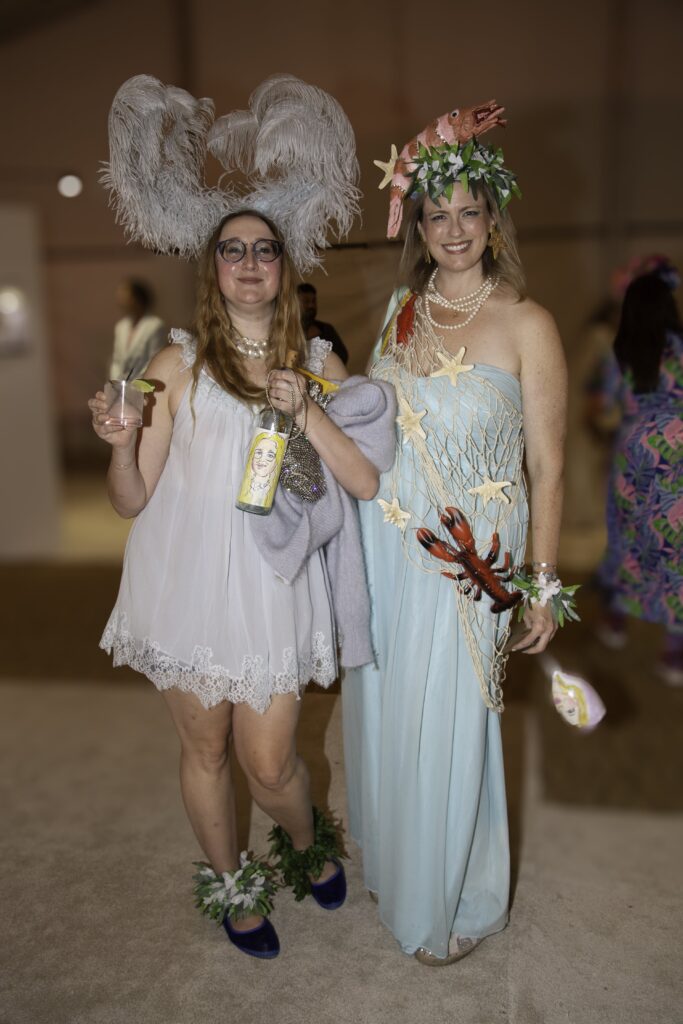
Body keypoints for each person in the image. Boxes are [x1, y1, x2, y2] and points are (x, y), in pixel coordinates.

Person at [88, 74, 395, 961]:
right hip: (183, 582)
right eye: (233, 250)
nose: (250, 262)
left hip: (268, 587)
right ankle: (231, 886)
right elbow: (131, 499)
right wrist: (121, 437)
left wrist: (306, 411)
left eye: (265, 248)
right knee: (208, 749)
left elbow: (365, 483)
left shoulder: (322, 360)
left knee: (272, 765)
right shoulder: (172, 364)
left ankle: (306, 843)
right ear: (211, 267)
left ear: (285, 266)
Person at [343, 100, 568, 965]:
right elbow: (374, 425)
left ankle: (453, 891)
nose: (453, 229)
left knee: (453, 718)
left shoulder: (528, 323)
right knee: (396, 708)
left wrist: (542, 582)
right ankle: (401, 866)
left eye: (468, 211)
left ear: (491, 217)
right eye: (435, 214)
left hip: (469, 555)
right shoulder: (402, 309)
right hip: (389, 540)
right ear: (420, 226)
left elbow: (547, 464)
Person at [596, 259, 683, 684]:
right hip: (676, 450)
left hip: (631, 450)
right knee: (675, 546)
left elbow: (607, 407)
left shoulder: (623, 350)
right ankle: (674, 653)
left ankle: (615, 622)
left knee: (627, 534)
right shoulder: (680, 347)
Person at [109, 278, 167, 381]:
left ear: (137, 299)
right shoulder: (121, 326)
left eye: (126, 294)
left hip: (143, 385)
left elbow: (154, 360)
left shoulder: (155, 325)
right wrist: (116, 382)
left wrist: (135, 384)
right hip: (120, 387)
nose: (121, 299)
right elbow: (116, 361)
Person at [297, 282, 349, 364]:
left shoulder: (326, 329)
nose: (311, 306)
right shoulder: (285, 330)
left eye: (313, 301)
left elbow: (343, 356)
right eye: (306, 301)